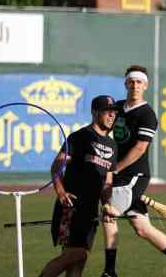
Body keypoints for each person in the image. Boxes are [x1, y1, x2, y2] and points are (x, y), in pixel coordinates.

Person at [101, 66, 166, 277]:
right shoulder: (117, 108)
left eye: (139, 82)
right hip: (119, 175)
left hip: (134, 176)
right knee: (142, 228)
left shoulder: (147, 115)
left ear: (146, 86)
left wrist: (114, 168)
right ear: (126, 84)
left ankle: (109, 272)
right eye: (131, 81)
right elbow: (102, 132)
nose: (135, 86)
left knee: (108, 214)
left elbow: (140, 149)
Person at [39, 95, 120, 277]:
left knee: (78, 264)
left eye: (114, 112)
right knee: (76, 254)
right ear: (94, 112)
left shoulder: (113, 146)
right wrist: (61, 192)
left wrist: (106, 205)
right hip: (71, 208)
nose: (112, 115)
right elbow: (56, 168)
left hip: (90, 211)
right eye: (107, 111)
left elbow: (107, 182)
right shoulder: (79, 137)